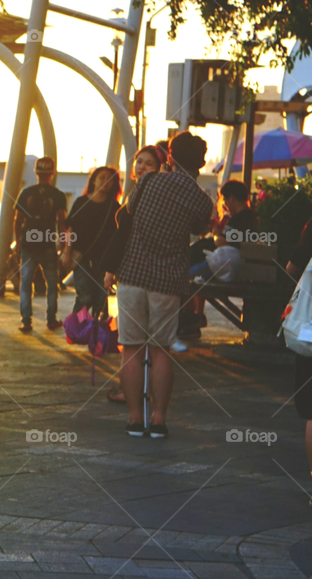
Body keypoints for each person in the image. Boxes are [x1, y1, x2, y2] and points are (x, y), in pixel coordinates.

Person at [114, 132, 212, 439]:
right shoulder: (202, 200)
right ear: (202, 162)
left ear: (169, 156)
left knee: (131, 348)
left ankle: (133, 419)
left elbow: (128, 211)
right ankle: (158, 419)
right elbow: (198, 229)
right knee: (161, 351)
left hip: (132, 273)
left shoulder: (148, 182)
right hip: (168, 281)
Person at [107, 146, 165, 404]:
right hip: (160, 277)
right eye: (139, 162)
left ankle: (135, 396)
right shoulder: (147, 194)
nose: (141, 167)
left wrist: (110, 268)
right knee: (154, 344)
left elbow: (123, 236)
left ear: (159, 169)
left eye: (148, 164)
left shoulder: (142, 196)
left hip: (136, 273)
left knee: (133, 343)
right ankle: (146, 394)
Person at [14, 157, 67, 333]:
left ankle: (26, 321)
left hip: (28, 244)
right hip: (48, 244)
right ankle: (51, 319)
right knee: (52, 284)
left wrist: (17, 242)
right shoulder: (58, 195)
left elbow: (18, 220)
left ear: (36, 173)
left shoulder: (26, 193)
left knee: (26, 283)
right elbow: (61, 222)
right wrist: (64, 247)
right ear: (52, 173)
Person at [64, 167, 121, 318]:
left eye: (110, 179)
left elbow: (118, 237)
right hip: (82, 258)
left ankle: (98, 333)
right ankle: (77, 327)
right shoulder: (81, 202)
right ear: (93, 180)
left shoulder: (114, 207)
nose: (105, 182)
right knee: (84, 296)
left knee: (102, 300)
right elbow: (71, 229)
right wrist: (67, 252)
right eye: (101, 177)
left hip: (104, 262)